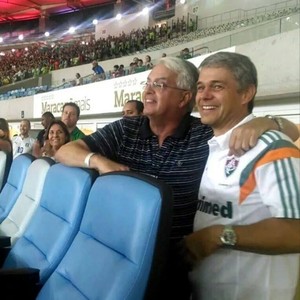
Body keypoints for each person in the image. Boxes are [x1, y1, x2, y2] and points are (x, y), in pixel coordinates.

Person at [55, 57, 299, 299]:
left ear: (184, 98)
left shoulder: (207, 136)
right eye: (147, 83)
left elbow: (278, 133)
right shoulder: (125, 129)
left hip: (177, 268)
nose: (148, 91)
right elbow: (64, 151)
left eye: (159, 85)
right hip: (118, 259)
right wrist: (99, 161)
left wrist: (266, 122)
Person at [184, 52, 300, 300]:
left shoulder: (271, 145)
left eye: (217, 86)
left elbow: (296, 232)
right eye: (201, 87)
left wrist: (218, 235)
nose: (204, 96)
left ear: (246, 94)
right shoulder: (215, 144)